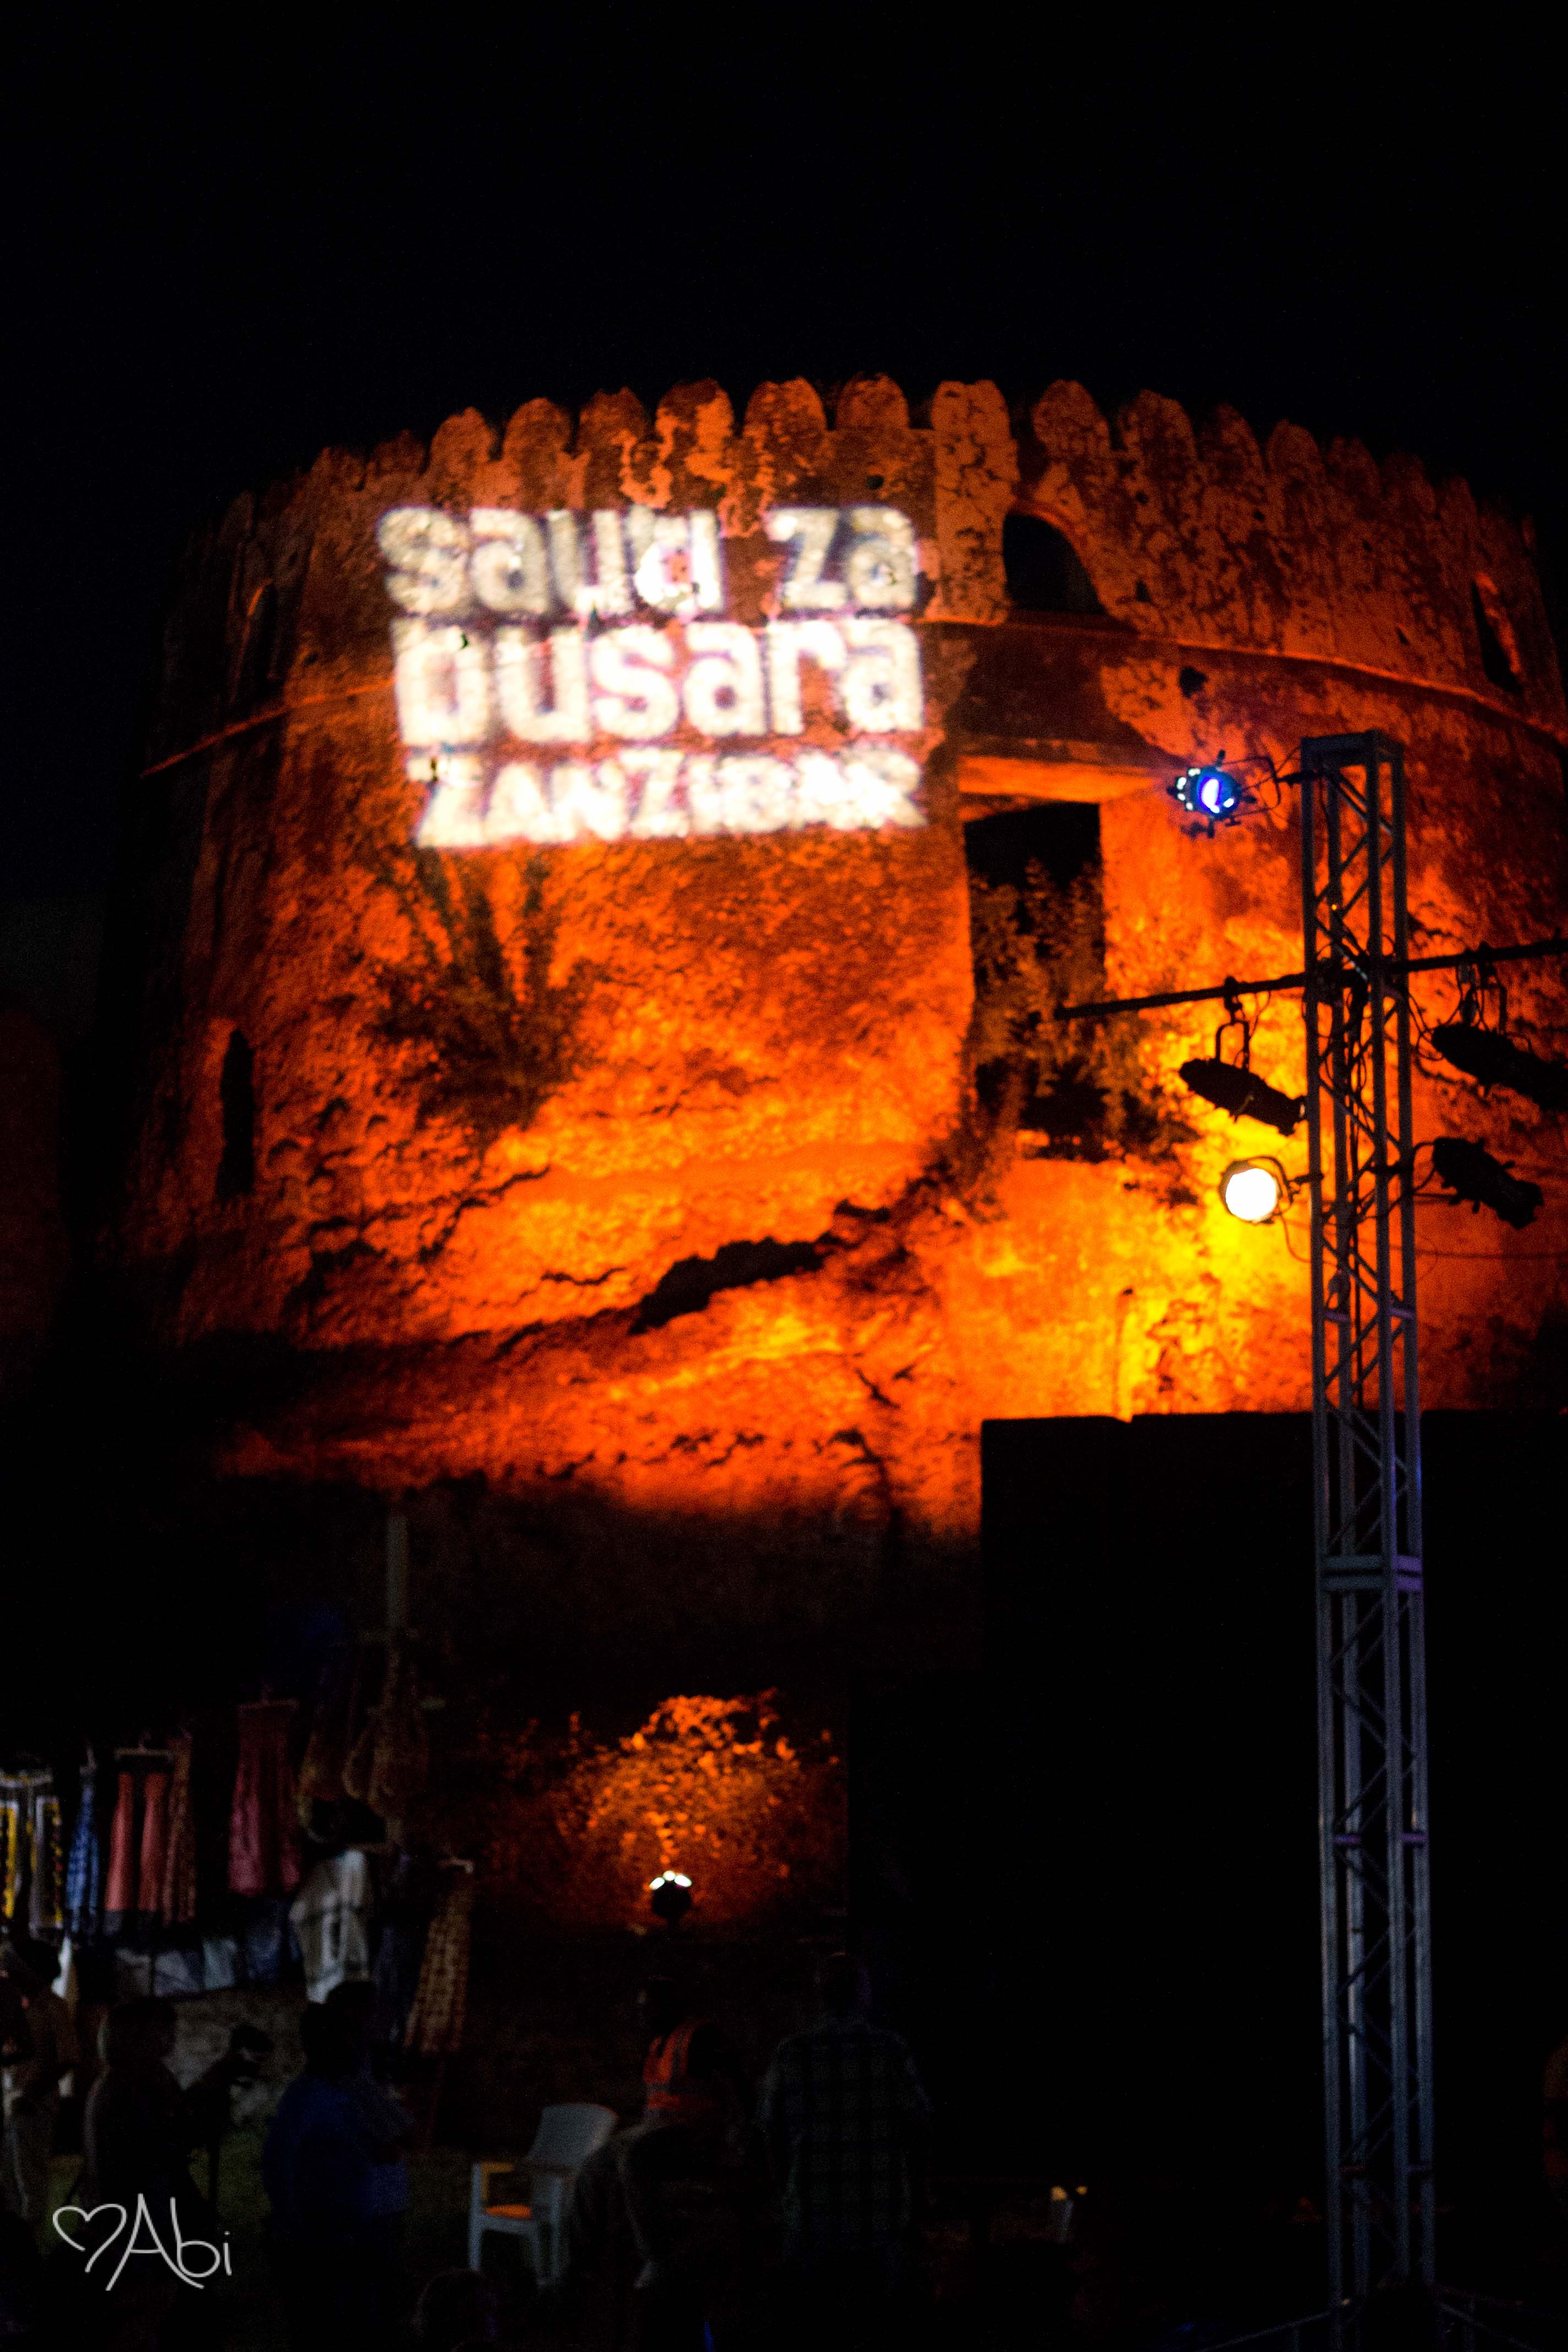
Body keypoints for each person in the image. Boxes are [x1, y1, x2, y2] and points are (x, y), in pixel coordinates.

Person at [756, 1953, 931, 2332]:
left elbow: (770, 2130)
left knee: (814, 2321)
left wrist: (785, 2194)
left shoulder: (792, 2053)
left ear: (819, 1995)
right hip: (880, 2216)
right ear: (864, 1994)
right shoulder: (891, 2049)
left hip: (812, 2215)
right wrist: (915, 2199)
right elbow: (918, 2123)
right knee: (879, 2319)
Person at [559, 1978, 745, 2294]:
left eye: (649, 2008)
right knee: (593, 2166)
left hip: (695, 2132)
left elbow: (735, 2085)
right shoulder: (660, 2044)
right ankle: (579, 2267)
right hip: (655, 2129)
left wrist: (737, 2137)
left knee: (635, 2158)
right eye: (641, 2009)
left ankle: (656, 2257)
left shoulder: (700, 2037)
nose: (642, 2015)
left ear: (671, 2007)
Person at [263, 2000, 403, 2349]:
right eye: (350, 2039)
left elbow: (384, 2143)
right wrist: (294, 2225)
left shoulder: (343, 2092)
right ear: (324, 2046)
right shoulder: (307, 2098)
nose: (362, 2048)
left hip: (352, 2229)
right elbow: (278, 2164)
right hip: (322, 2236)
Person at [0, 1939, 77, 2237]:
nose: (6, 1971)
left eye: (12, 1966)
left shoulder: (52, 2007)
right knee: (8, 2175)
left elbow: (68, 2058)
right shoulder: (17, 2005)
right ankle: (13, 2238)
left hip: (34, 2104)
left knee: (29, 2174)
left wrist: (32, 2093)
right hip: (11, 2101)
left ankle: (30, 2238)